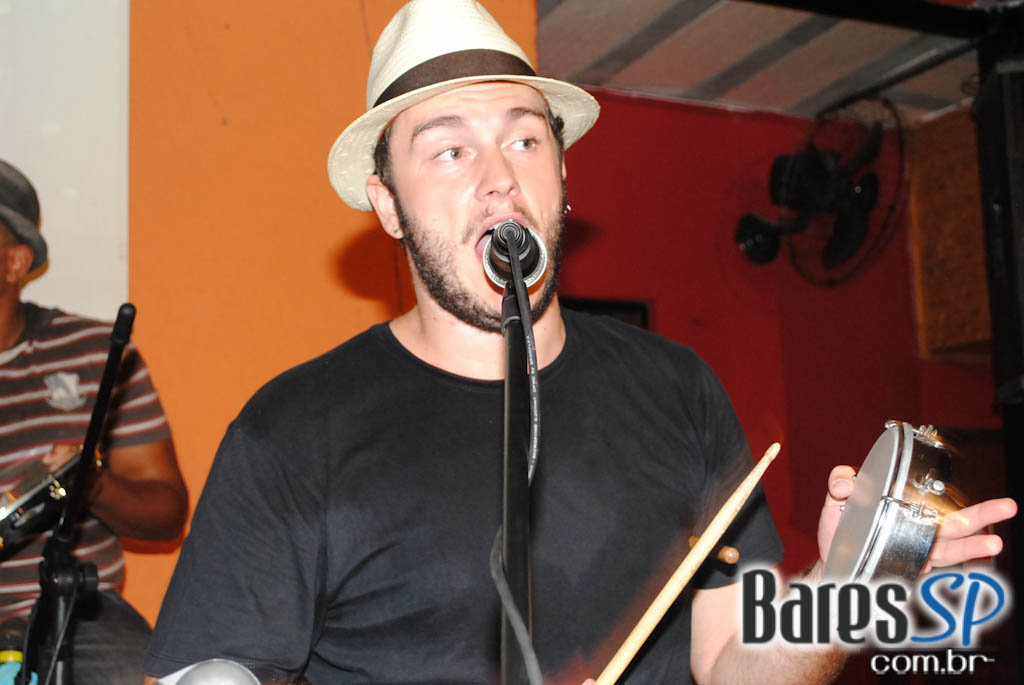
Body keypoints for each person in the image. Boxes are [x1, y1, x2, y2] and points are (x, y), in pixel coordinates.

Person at [142, 1, 1017, 683]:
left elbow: (734, 661)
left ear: (562, 173)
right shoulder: (292, 432)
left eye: (524, 138)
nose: (499, 178)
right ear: (388, 205)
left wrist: (851, 581)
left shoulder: (679, 388)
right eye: (448, 152)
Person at [0, 158, 189, 684]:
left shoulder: (94, 355)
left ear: (15, 262)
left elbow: (166, 515)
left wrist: (92, 484)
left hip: (76, 611)